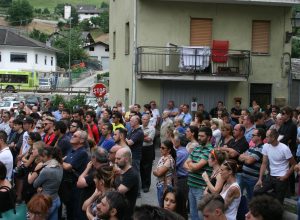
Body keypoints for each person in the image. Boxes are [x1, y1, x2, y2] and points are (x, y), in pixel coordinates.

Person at [254, 129, 296, 204]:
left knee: (278, 202)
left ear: (273, 138)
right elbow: (264, 163)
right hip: (270, 176)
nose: (265, 139)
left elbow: (294, 164)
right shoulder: (266, 146)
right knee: (257, 191)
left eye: (267, 137)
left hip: (281, 178)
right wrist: (260, 179)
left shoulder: (284, 148)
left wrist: (286, 176)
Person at [184, 126, 214, 220]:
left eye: (202, 136)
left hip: (201, 188)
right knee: (193, 214)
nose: (199, 138)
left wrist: (191, 165)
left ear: (209, 137)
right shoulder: (196, 148)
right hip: (191, 185)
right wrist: (192, 166)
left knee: (201, 215)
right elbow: (185, 164)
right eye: (199, 136)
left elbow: (196, 166)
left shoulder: (210, 150)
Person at [28, 145, 63, 220]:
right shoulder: (60, 165)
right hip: (56, 199)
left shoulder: (46, 169)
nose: (40, 158)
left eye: (42, 156)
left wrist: (32, 173)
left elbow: (35, 184)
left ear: (48, 156)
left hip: (46, 202)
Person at [62, 130, 89, 220]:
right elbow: (63, 162)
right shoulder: (71, 150)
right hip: (67, 185)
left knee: (75, 213)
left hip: (76, 187)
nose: (71, 137)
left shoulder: (82, 152)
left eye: (74, 136)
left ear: (81, 140)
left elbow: (68, 166)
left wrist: (60, 162)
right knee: (69, 211)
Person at [239, 128, 265, 200]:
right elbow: (240, 157)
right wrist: (247, 158)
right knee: (240, 197)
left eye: (253, 135)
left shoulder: (262, 148)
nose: (251, 136)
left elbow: (249, 161)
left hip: (252, 179)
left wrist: (245, 157)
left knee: (251, 199)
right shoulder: (252, 147)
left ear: (259, 137)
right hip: (243, 176)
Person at [115, 147, 139, 218]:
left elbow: (117, 193)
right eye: (116, 158)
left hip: (125, 214)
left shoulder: (132, 174)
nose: (115, 161)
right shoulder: (120, 171)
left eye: (118, 159)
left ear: (126, 159)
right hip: (118, 211)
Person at [153, 140, 176, 207]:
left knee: (163, 207)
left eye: (163, 148)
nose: (160, 149)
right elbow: (157, 171)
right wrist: (156, 171)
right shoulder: (163, 157)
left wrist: (155, 171)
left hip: (165, 187)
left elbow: (159, 173)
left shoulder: (169, 160)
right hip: (159, 184)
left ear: (169, 150)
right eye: (160, 147)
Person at [141, 114, 155, 193]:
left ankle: (147, 185)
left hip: (148, 149)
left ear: (149, 120)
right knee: (141, 168)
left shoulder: (152, 128)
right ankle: (142, 184)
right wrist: (144, 136)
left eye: (146, 119)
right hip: (141, 149)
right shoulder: (139, 127)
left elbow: (149, 139)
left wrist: (140, 136)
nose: (144, 120)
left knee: (147, 168)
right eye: (143, 119)